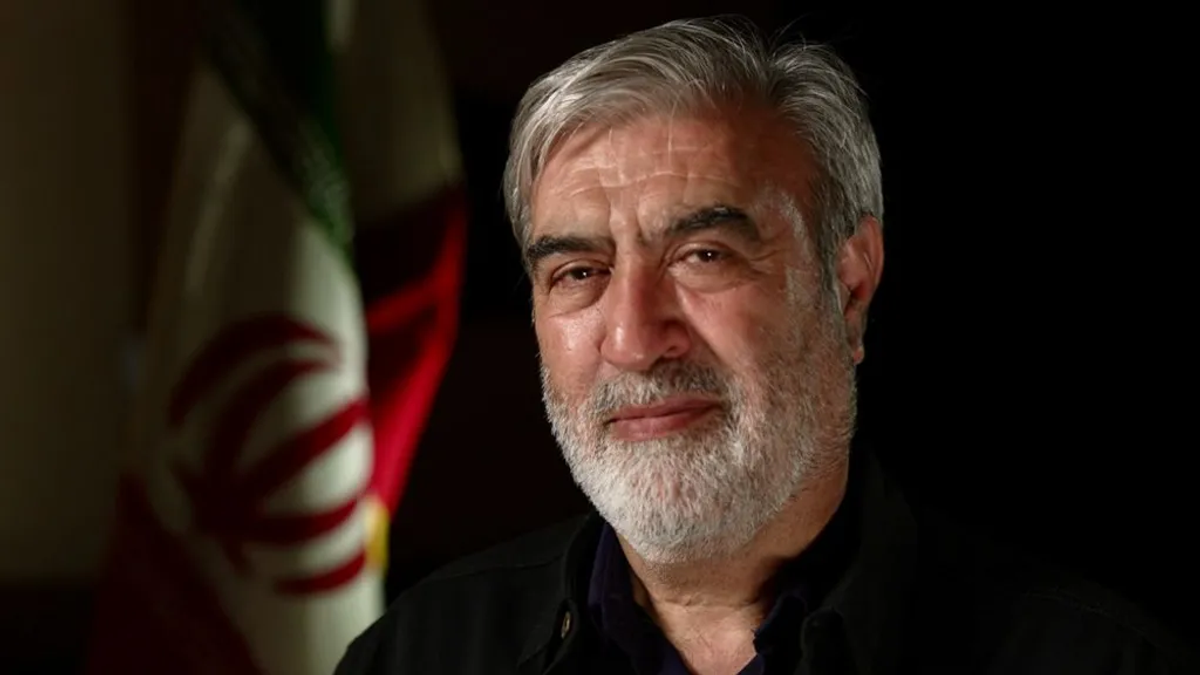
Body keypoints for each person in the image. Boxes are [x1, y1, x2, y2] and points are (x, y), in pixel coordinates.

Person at [335, 17, 1195, 675]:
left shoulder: (1096, 662)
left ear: (849, 285)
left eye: (702, 255)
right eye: (580, 272)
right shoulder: (418, 653)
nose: (633, 339)